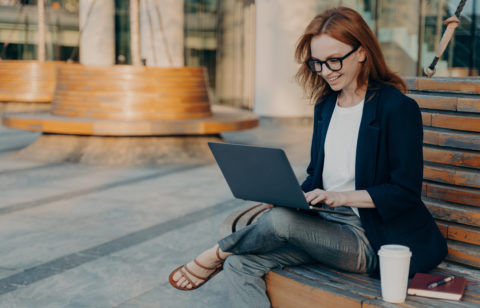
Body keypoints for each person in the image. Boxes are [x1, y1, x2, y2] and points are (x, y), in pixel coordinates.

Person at [169, 6, 448, 307]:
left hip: (369, 238)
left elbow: (405, 192)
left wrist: (342, 197)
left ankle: (215, 254)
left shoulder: (397, 108)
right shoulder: (326, 106)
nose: (326, 71)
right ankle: (229, 255)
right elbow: (316, 174)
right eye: (318, 63)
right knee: (241, 265)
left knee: (278, 223)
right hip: (324, 226)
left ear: (362, 52)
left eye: (334, 60)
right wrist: (287, 195)